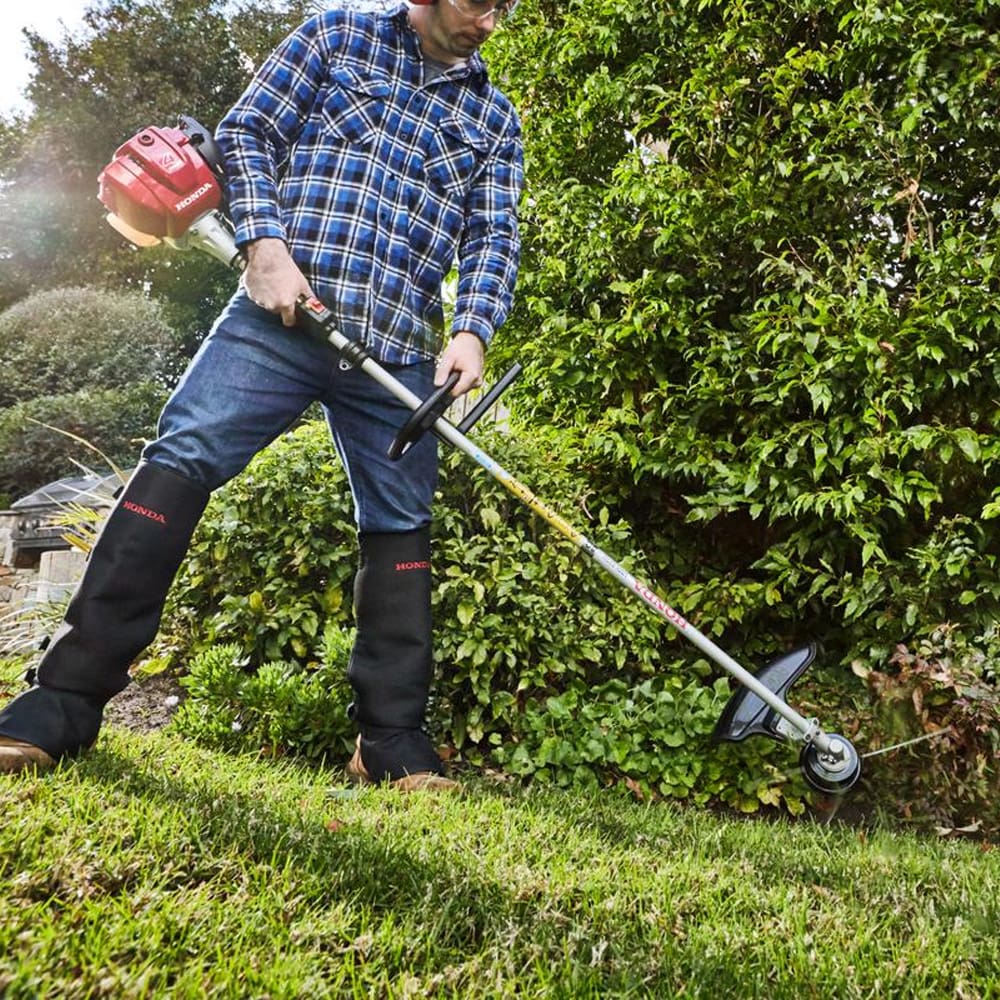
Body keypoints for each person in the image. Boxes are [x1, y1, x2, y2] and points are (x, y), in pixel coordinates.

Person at [0, 0, 523, 789]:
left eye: (505, 6)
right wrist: (265, 245)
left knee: (402, 522)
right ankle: (62, 702)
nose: (491, 19)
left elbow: (493, 235)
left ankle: (389, 741)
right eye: (480, 1)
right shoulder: (335, 36)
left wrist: (473, 330)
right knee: (180, 460)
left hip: (396, 348)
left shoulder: (493, 117)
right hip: (276, 319)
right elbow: (248, 133)